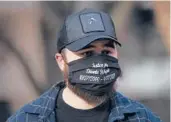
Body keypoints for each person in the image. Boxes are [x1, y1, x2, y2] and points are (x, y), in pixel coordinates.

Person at [7, 8, 162, 122]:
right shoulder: (26, 118)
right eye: (87, 53)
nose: (99, 62)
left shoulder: (141, 117)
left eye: (106, 52)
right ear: (61, 61)